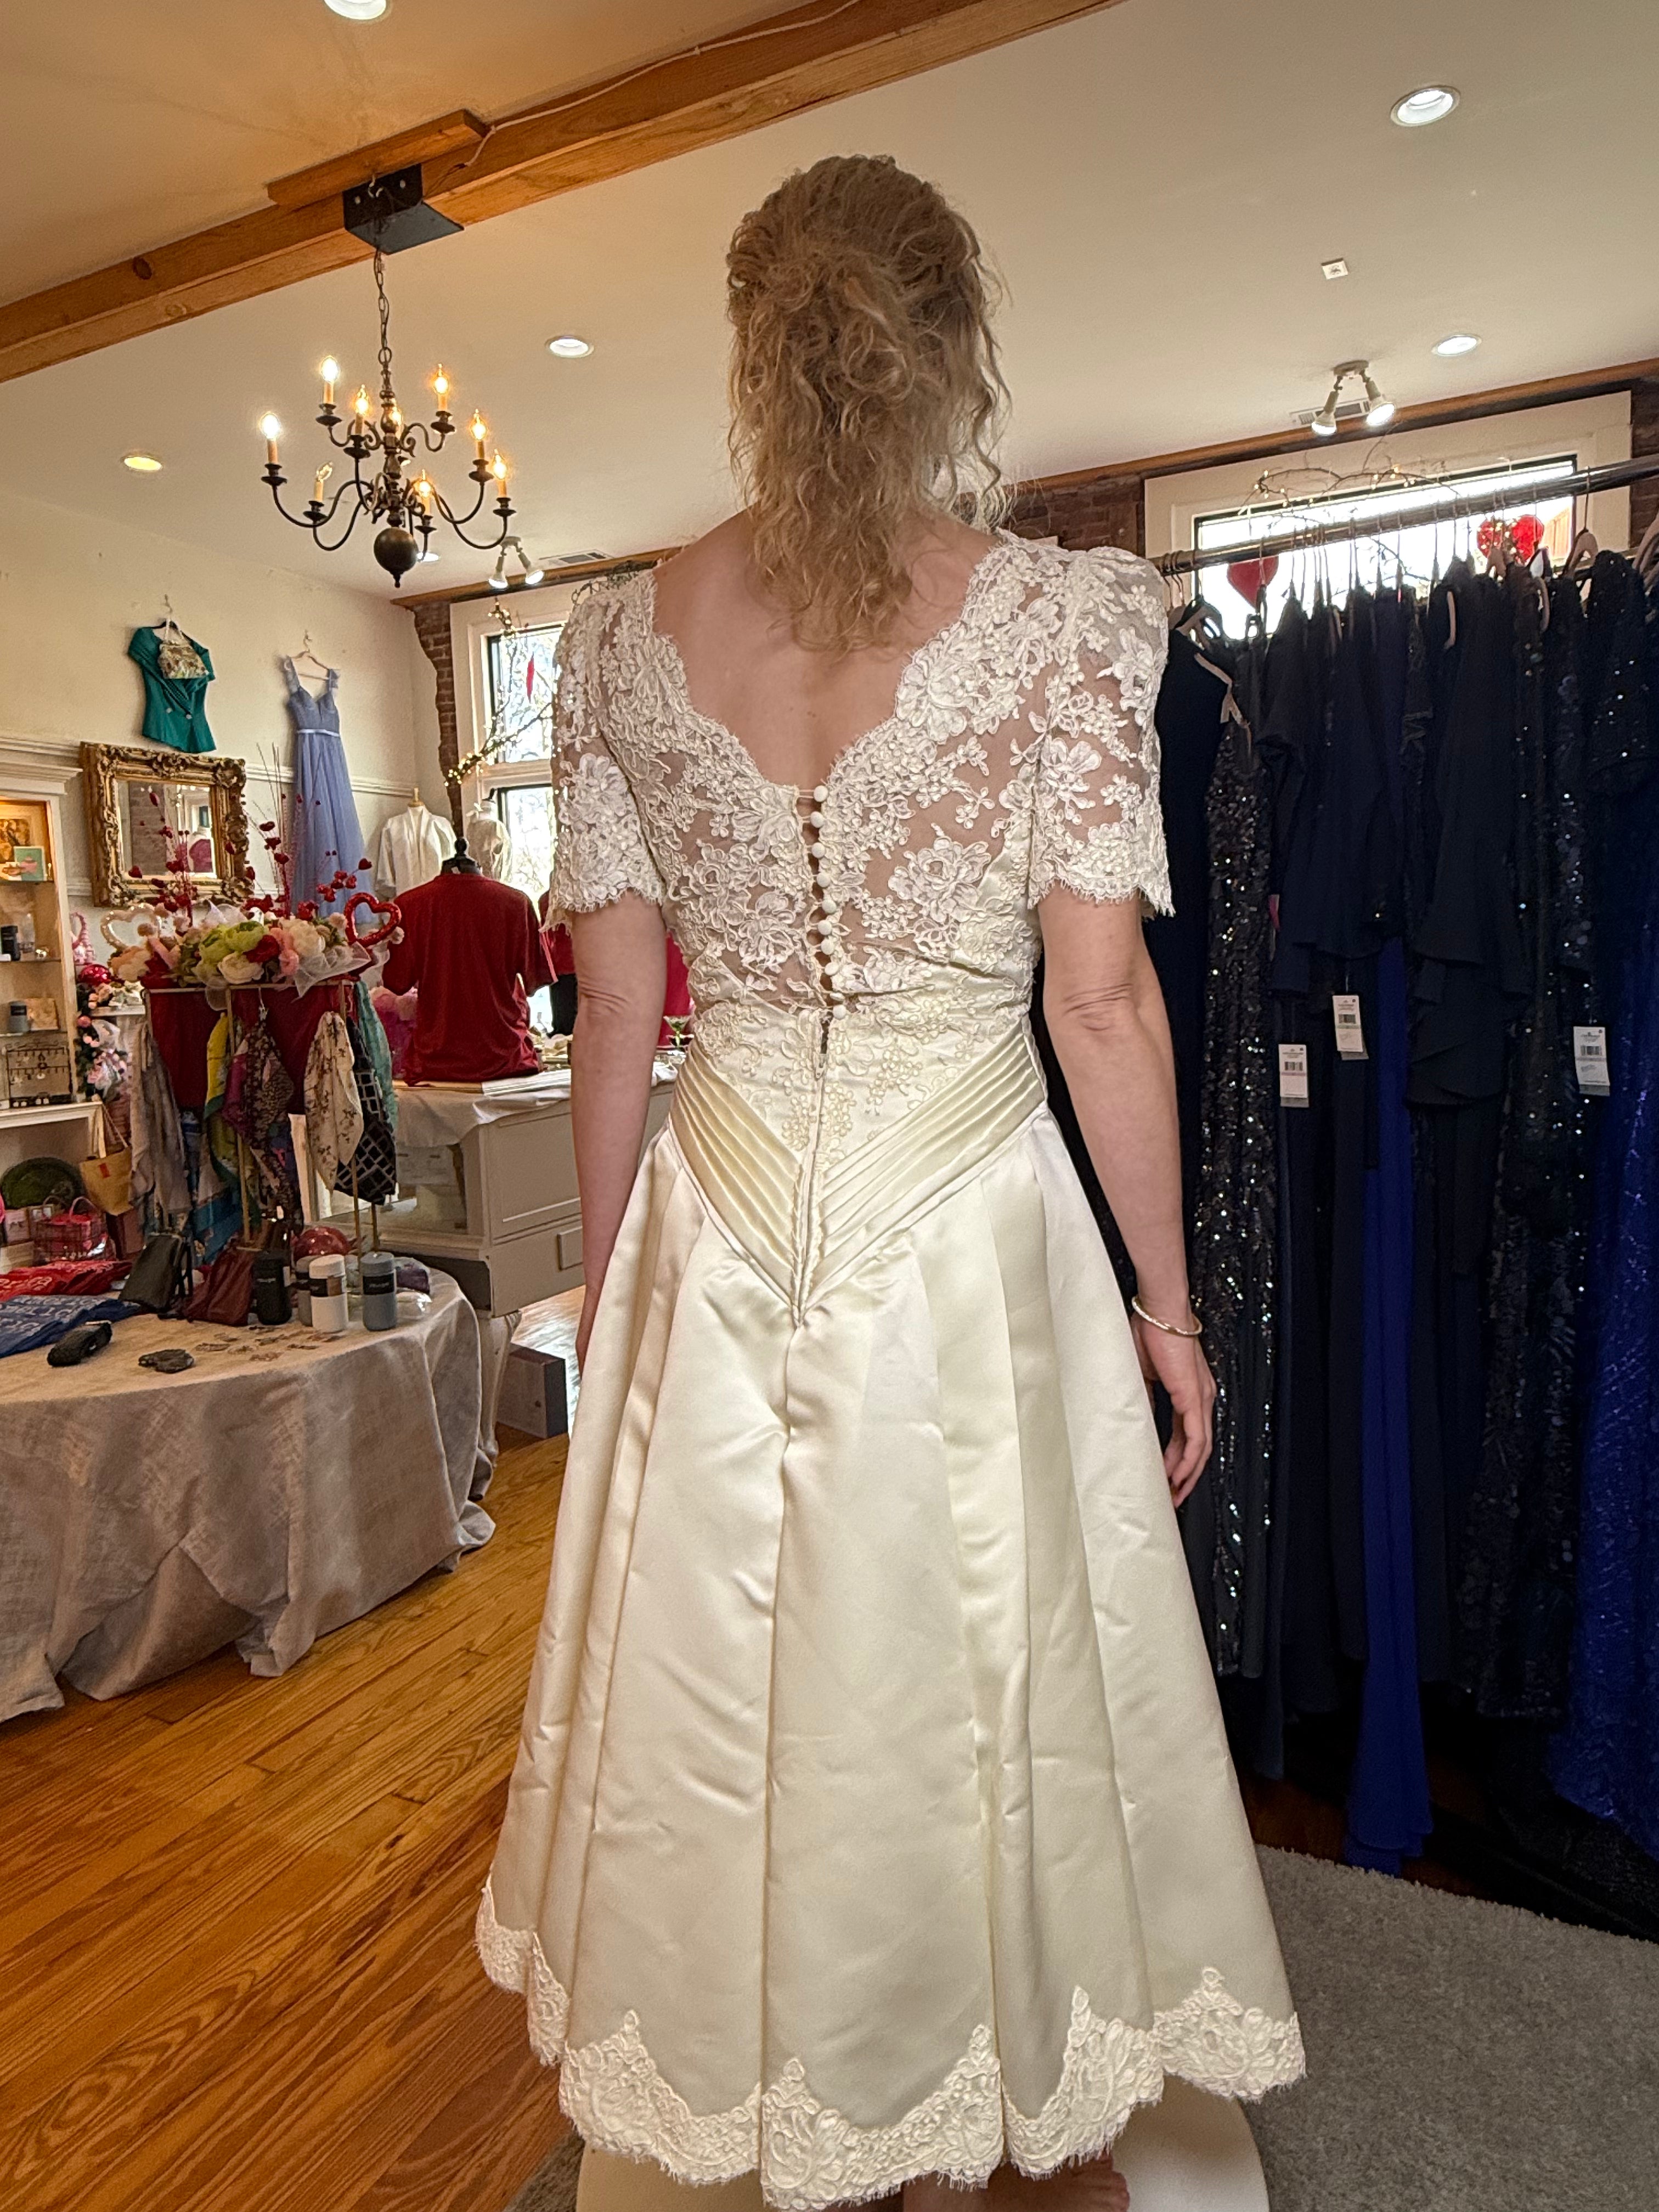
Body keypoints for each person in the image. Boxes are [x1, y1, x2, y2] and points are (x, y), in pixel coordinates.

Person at [478, 153, 1303, 2212]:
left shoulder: (620, 632)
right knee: (984, 1668)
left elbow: (612, 1008)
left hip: (725, 1204)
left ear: (759, 359)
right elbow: (1100, 1004)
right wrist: (1169, 1308)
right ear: (952, 354)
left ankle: (799, 2070)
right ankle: (978, 2066)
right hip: (966, 1223)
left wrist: (607, 1305)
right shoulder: (1054, 621)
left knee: (740, 1696)